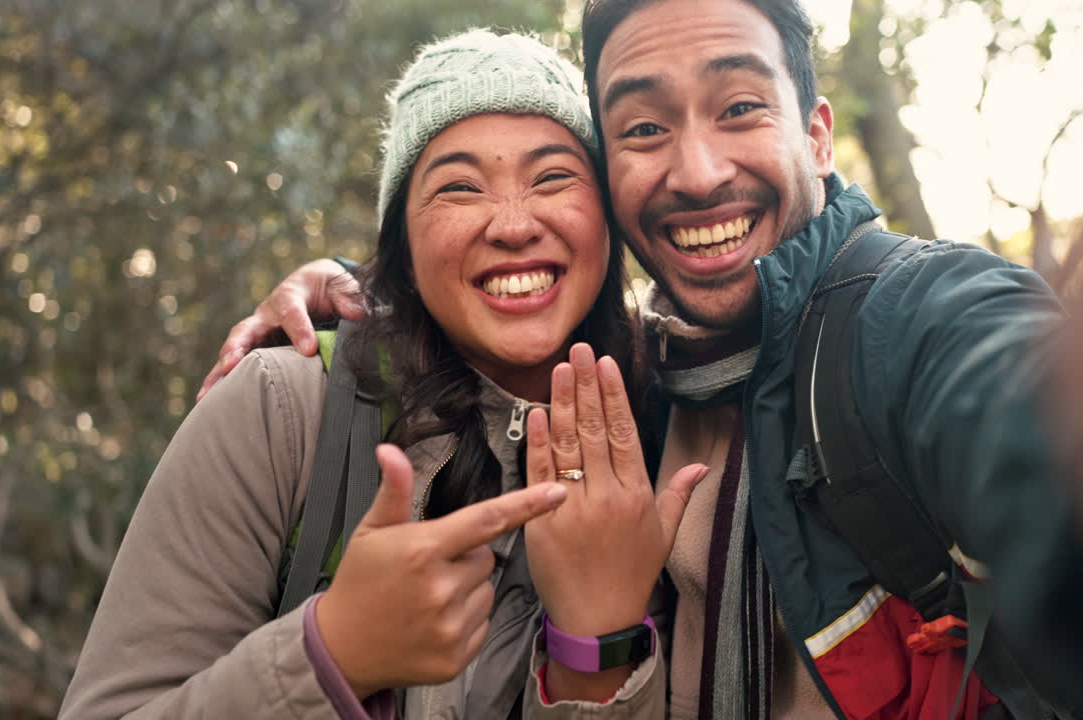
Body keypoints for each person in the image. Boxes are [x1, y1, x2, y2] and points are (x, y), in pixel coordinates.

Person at [207, 0, 1083, 716]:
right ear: (609, 183)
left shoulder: (908, 318)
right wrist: (371, 292)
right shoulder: (627, 384)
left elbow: (1024, 418)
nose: (696, 170)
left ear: (814, 134)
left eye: (738, 108)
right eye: (641, 129)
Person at [61, 29, 707, 719]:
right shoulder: (281, 410)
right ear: (401, 241)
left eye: (552, 177)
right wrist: (332, 654)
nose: (514, 225)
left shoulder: (679, 423)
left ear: (607, 221)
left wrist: (594, 654)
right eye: (459, 188)